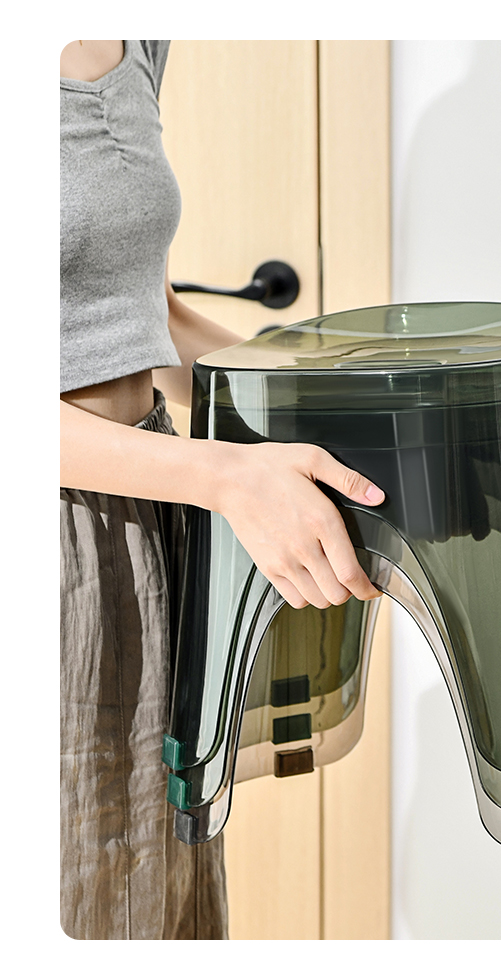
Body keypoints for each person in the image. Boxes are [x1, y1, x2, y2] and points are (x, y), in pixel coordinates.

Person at [60, 39, 385, 940]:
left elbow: (145, 314)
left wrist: (333, 399)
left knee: (161, 870)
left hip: (155, 505)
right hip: (53, 539)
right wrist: (227, 475)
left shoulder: (140, 41)